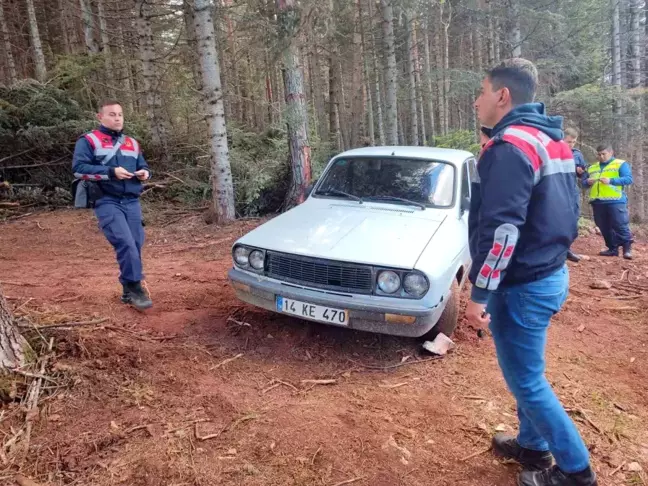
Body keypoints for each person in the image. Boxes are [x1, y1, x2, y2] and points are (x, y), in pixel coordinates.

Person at [468, 58, 597, 486]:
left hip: (522, 283)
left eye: (482, 92)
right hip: (547, 273)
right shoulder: (549, 140)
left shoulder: (510, 147)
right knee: (529, 372)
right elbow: (565, 210)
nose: (476, 101)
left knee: (526, 380)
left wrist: (480, 293)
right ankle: (532, 445)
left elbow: (502, 232)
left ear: (502, 96)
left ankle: (576, 472)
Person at [72, 100, 153, 311]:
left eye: (120, 114)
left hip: (132, 200)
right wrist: (111, 172)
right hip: (107, 200)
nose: (117, 118)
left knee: (135, 243)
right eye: (112, 114)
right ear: (100, 117)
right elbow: (79, 169)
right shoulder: (88, 140)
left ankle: (127, 289)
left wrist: (145, 172)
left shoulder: (132, 142)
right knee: (125, 242)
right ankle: (135, 289)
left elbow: (142, 164)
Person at [581, 144, 634, 259]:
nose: (601, 156)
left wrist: (611, 180)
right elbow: (583, 183)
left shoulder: (620, 164)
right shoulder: (592, 167)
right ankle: (612, 248)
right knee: (603, 226)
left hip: (616, 200)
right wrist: (587, 182)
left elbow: (628, 179)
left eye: (603, 154)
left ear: (611, 152)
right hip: (598, 201)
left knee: (620, 224)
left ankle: (627, 250)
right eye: (599, 154)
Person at [564, 128, 586, 263]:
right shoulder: (552, 150)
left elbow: (582, 173)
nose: (571, 144)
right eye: (568, 142)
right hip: (556, 187)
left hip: (572, 188)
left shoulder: (577, 154)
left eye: (573, 142)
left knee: (573, 218)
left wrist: (581, 171)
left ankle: (567, 248)